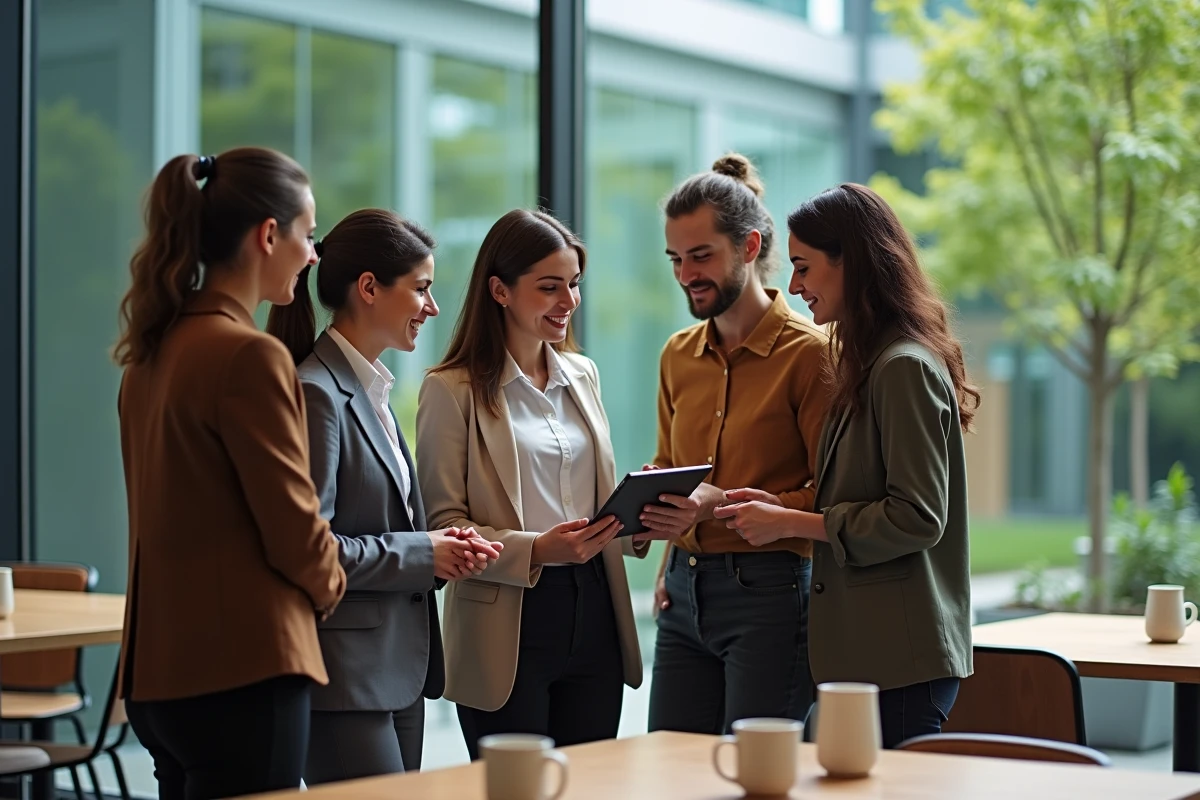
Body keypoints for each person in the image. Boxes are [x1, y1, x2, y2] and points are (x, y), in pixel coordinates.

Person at [113, 147, 347, 800]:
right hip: (242, 673)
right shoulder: (249, 356)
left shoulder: (148, 358)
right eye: (307, 234)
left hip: (158, 677)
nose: (312, 254)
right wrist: (330, 587)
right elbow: (294, 528)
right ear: (268, 235)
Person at [714, 183, 978, 748]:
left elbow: (916, 517)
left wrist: (791, 523)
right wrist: (775, 507)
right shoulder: (866, 361)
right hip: (871, 655)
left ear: (852, 262)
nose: (794, 286)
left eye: (804, 267)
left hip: (899, 661)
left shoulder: (902, 367)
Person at [266, 209, 503, 783]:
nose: (433, 307)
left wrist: (442, 550)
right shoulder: (316, 394)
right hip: (345, 678)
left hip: (396, 673)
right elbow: (311, 550)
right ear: (369, 288)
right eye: (421, 288)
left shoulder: (371, 390)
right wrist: (425, 552)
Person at [416, 209, 648, 760]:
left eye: (574, 284)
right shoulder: (450, 391)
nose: (569, 300)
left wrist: (637, 521)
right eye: (549, 287)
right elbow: (443, 526)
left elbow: (593, 499)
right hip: (506, 621)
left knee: (588, 784)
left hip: (596, 607)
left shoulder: (584, 374)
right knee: (516, 788)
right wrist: (537, 549)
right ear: (500, 291)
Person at [642, 153, 830, 735]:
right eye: (676, 259)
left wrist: (718, 503)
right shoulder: (677, 354)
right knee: (672, 765)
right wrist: (665, 557)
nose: (685, 275)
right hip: (682, 593)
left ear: (749, 247)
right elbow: (671, 469)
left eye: (701, 256)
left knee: (757, 770)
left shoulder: (811, 355)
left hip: (770, 595)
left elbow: (834, 495)